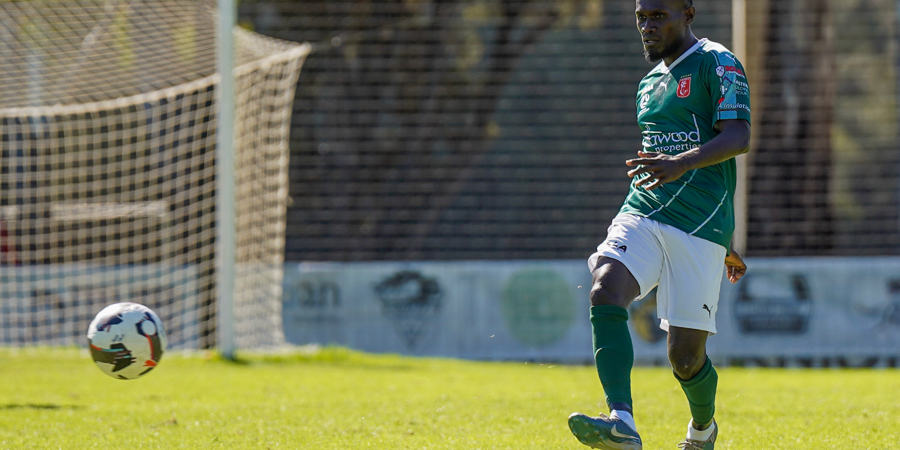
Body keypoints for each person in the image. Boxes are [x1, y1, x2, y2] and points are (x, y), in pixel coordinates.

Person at [567, 0, 750, 449]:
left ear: (687, 13)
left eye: (658, 16)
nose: (647, 26)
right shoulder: (648, 85)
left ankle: (702, 431)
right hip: (644, 211)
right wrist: (670, 168)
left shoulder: (718, 62)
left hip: (700, 226)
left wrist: (722, 236)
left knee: (685, 360)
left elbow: (737, 137)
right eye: (641, 17)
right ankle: (622, 421)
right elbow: (661, 164)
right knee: (605, 288)